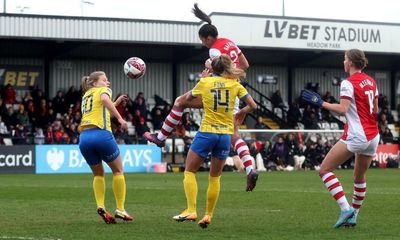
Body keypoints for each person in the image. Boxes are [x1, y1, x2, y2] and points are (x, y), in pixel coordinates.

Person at [144, 3, 258, 191]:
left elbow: (216, 70)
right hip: (233, 92)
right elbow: (245, 64)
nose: (202, 43)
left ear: (208, 37)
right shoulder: (230, 42)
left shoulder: (214, 50)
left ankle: (161, 137)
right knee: (234, 135)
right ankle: (249, 168)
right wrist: (233, 76)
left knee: (180, 101)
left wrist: (211, 73)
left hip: (216, 92)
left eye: (203, 40)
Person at [172, 54, 257, 228]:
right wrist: (242, 112)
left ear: (213, 69)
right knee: (214, 177)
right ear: (227, 68)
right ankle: (208, 215)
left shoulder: (205, 82)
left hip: (206, 133)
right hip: (225, 136)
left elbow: (186, 100)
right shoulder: (235, 84)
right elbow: (253, 106)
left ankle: (191, 209)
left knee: (189, 171)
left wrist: (201, 80)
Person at [301, 49, 379, 228]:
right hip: (373, 135)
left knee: (324, 170)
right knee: (359, 177)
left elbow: (343, 109)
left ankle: (346, 209)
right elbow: (375, 111)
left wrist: (321, 103)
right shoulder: (371, 81)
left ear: (350, 62)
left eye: (345, 59)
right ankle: (354, 216)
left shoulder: (348, 83)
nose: (343, 62)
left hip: (358, 135)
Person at [78, 71, 133, 224]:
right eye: (104, 80)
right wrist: (121, 119)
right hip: (101, 135)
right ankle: (120, 209)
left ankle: (100, 205)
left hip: (84, 138)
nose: (107, 82)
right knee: (118, 171)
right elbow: (103, 99)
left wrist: (115, 103)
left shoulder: (86, 95)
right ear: (95, 82)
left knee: (98, 174)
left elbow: (100, 107)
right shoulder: (103, 91)